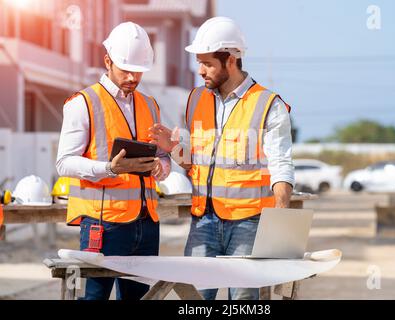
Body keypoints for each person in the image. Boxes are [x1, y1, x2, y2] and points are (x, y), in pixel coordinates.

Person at [149, 16, 294, 300]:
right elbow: (199, 163)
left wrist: (279, 229)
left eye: (208, 64)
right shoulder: (195, 99)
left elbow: (281, 166)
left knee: (242, 302)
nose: (200, 70)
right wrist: (175, 148)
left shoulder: (268, 105)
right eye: (199, 62)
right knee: (195, 301)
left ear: (230, 61)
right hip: (203, 220)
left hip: (248, 224)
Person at [56, 22, 171, 300]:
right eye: (126, 69)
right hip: (102, 225)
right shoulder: (83, 102)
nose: (133, 77)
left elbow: (164, 156)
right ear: (107, 61)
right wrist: (109, 168)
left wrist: (162, 166)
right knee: (94, 297)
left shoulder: (150, 104)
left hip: (146, 225)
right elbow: (64, 163)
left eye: (138, 70)